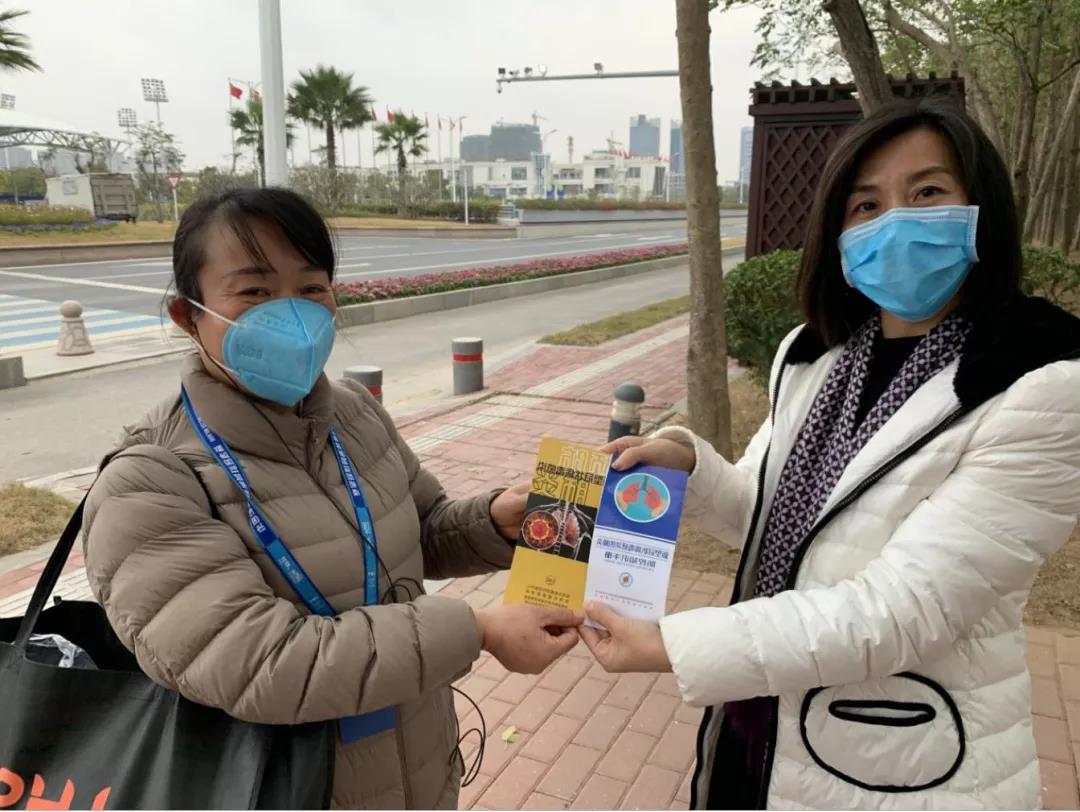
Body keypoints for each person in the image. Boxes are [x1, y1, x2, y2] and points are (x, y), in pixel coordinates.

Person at [580, 100, 1080, 809]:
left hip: (898, 763)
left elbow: (901, 612)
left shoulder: (1038, 380)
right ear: (839, 235)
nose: (895, 221)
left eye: (927, 192)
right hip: (757, 728)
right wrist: (687, 466)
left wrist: (671, 644)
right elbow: (763, 515)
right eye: (866, 205)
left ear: (981, 211)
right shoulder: (814, 356)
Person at [82, 188, 583, 810]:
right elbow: (259, 662)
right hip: (289, 789)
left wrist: (494, 523)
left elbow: (420, 528)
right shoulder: (148, 481)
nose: (292, 313)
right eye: (255, 291)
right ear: (189, 316)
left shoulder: (353, 413)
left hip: (420, 767)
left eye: (311, 288)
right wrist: (475, 630)